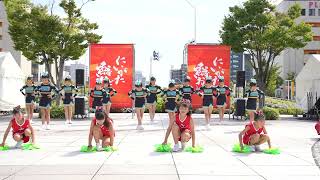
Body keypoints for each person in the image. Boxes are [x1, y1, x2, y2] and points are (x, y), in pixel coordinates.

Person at [161, 81, 181, 145]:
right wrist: (165, 100)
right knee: (170, 114)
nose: (171, 89)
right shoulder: (166, 91)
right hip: (168, 104)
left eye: (172, 87)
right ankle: (171, 123)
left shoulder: (177, 91)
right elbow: (162, 95)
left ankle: (174, 123)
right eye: (170, 88)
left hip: (174, 104)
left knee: (174, 114)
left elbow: (180, 95)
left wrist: (177, 100)